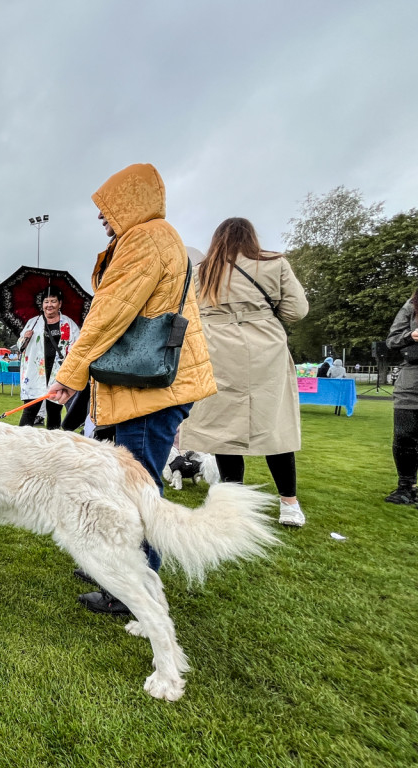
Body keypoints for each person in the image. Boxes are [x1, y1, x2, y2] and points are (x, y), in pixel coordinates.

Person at [46, 163, 216, 616]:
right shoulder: (154, 237)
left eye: (108, 208)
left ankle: (132, 584)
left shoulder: (145, 238)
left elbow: (109, 313)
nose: (103, 218)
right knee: (132, 482)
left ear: (130, 202)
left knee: (139, 488)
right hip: (150, 387)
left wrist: (69, 374)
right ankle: (118, 567)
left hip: (150, 392)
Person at [178, 217, 309, 527]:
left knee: (224, 429)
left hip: (218, 351)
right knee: (275, 426)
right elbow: (297, 310)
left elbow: (187, 313)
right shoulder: (274, 264)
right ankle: (289, 504)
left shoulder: (201, 272)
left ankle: (232, 503)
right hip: (266, 350)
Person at [18, 287, 78, 429]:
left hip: (57, 374)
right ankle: (20, 443)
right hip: (35, 373)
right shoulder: (34, 322)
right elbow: (20, 344)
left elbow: (79, 344)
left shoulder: (68, 324)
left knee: (54, 411)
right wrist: (25, 338)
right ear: (42, 304)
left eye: (53, 301)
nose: (49, 305)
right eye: (46, 301)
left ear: (60, 304)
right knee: (29, 410)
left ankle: (53, 445)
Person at [384, 291, 418, 505]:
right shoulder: (412, 305)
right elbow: (391, 341)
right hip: (411, 380)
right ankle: (405, 488)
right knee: (404, 435)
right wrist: (410, 336)